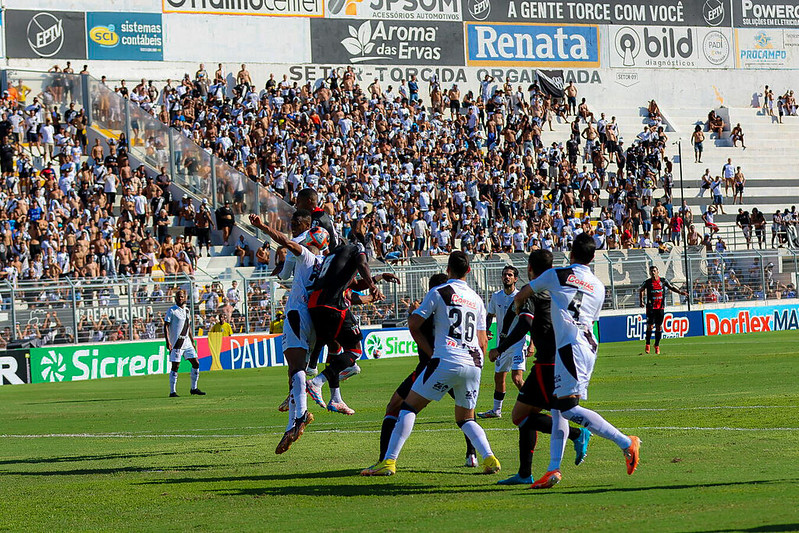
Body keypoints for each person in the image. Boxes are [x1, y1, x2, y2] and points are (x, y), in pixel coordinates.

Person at [513, 233, 640, 489]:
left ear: (571, 253)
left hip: (571, 347)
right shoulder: (599, 285)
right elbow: (590, 318)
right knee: (559, 407)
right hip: (587, 344)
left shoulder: (556, 274)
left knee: (569, 408)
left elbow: (524, 292)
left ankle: (626, 442)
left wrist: (518, 306)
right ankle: (552, 469)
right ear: (593, 257)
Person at [361, 251, 501, 476]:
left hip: (446, 359)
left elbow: (414, 324)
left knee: (408, 407)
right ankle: (489, 457)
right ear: (469, 271)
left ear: (448, 270)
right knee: (466, 418)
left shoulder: (439, 292)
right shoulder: (477, 299)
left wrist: (432, 352)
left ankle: (388, 461)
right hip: (474, 364)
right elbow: (483, 341)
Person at [494, 250, 591, 486]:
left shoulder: (534, 290)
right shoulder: (557, 288)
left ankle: (579, 434)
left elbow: (526, 322)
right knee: (528, 415)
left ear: (529, 268)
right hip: (563, 355)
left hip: (548, 362)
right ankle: (524, 473)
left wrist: (501, 347)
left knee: (522, 416)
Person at [367, 273, 479, 469]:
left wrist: (414, 313)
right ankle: (473, 454)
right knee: (467, 413)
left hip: (432, 366)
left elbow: (416, 327)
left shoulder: (429, 309)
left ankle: (385, 459)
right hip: (458, 364)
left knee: (398, 406)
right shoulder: (455, 309)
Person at [249, 210, 328, 454]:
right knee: (298, 371)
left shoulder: (305, 255)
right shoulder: (326, 263)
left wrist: (262, 226)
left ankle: (301, 415)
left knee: (295, 370)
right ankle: (293, 422)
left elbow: (284, 241)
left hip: (297, 314)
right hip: (317, 318)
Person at [305, 240, 394, 415]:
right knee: (355, 350)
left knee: (335, 349)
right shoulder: (356, 249)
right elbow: (361, 265)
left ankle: (336, 398)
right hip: (333, 305)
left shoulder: (333, 257)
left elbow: (355, 282)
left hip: (315, 303)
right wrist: (373, 286)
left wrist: (379, 277)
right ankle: (317, 381)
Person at [478, 266, 525, 419]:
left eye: (510, 275)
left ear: (515, 279)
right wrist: (486, 330)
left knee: (517, 379)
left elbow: (528, 321)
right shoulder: (496, 296)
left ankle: (534, 403)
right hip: (501, 346)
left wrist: (532, 344)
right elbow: (490, 314)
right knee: (499, 378)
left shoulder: (520, 297)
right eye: (505, 275)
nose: (507, 277)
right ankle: (496, 410)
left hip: (518, 344)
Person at [164, 289, 205, 398]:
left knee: (196, 363)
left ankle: (194, 388)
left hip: (187, 342)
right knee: (175, 366)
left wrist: (192, 340)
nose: (180, 298)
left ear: (185, 298)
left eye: (182, 296)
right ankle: (172, 391)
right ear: (175, 298)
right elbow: (166, 326)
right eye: (178, 296)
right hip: (177, 343)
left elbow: (188, 327)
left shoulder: (187, 310)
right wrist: (167, 341)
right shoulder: (172, 310)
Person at [638, 266, 688, 354]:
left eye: (654, 271)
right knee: (650, 326)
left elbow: (671, 287)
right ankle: (648, 344)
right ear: (649, 273)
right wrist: (641, 301)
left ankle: (656, 345)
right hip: (650, 307)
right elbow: (641, 289)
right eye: (651, 271)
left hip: (660, 308)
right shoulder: (647, 282)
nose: (653, 273)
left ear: (658, 272)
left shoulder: (663, 281)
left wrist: (680, 292)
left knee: (658, 327)